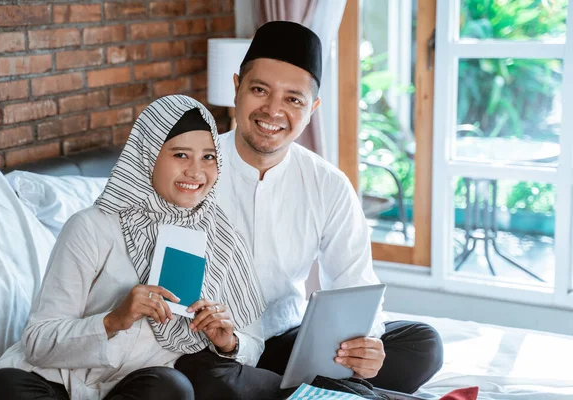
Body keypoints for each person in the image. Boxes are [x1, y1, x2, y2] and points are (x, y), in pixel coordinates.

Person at [175, 21, 443, 397]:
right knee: (203, 377)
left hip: (290, 345)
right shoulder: (189, 170)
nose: (273, 110)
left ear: (312, 108)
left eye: (293, 99)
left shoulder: (327, 183)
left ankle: (308, 391)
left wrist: (367, 345)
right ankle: (334, 393)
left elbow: (355, 283)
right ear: (237, 87)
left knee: (422, 344)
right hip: (216, 350)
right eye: (259, 90)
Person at [0, 95, 266, 400]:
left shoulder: (222, 238)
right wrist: (113, 320)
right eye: (181, 155)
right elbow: (38, 342)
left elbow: (254, 344)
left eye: (209, 157)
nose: (196, 171)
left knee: (173, 390)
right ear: (147, 155)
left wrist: (227, 342)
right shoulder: (92, 226)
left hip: (133, 389)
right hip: (53, 382)